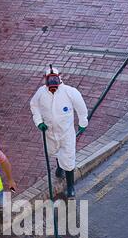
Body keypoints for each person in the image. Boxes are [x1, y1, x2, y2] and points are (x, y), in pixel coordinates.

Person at [30, 65, 88, 198]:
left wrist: (82, 122)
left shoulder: (70, 92)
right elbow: (34, 106)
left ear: (59, 79)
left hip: (66, 133)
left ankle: (70, 186)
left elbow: (81, 108)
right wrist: (39, 122)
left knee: (68, 158)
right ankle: (59, 167)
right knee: (54, 151)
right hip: (49, 133)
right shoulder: (41, 93)